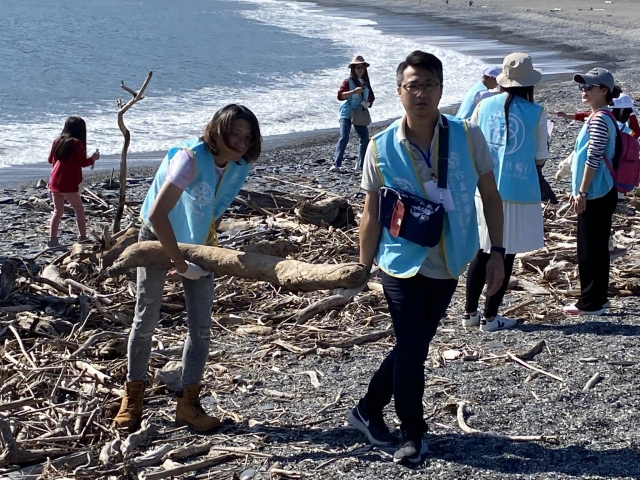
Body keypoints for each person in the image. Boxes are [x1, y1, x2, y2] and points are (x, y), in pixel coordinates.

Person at [349, 51, 505, 464]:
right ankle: (412, 434)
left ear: (440, 89)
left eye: (428, 85)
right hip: (399, 261)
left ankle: (366, 410)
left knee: (412, 346)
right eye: (412, 85)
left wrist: (497, 254)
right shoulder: (381, 147)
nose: (420, 93)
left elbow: (490, 195)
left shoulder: (467, 135)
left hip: (450, 258)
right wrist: (361, 268)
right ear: (399, 92)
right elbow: (370, 213)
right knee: (414, 346)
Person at [113, 104, 261, 432]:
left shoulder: (238, 165)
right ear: (218, 130)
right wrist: (178, 263)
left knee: (201, 326)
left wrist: (203, 253)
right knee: (146, 316)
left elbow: (215, 208)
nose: (241, 141)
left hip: (197, 243)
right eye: (235, 133)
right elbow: (156, 214)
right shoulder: (189, 159)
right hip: (156, 236)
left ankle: (188, 404)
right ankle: (133, 395)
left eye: (248, 136)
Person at [464, 53, 548, 332]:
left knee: (481, 251)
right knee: (505, 253)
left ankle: (469, 313)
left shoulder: (484, 104)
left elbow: (471, 143)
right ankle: (490, 317)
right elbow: (539, 157)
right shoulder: (536, 112)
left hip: (483, 189)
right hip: (518, 192)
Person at [562, 68, 620, 315]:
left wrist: (582, 192)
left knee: (589, 249)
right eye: (582, 86)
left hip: (596, 193)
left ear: (604, 91)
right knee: (595, 247)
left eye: (589, 87)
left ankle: (591, 302)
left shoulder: (599, 119)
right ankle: (597, 299)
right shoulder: (600, 116)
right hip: (599, 191)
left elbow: (593, 158)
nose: (583, 90)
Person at [47, 116, 100, 247]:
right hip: (69, 182)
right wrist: (93, 158)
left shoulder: (57, 141)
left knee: (57, 211)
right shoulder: (77, 143)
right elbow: (83, 162)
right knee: (79, 209)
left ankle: (52, 240)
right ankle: (82, 237)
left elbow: (50, 160)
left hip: (54, 181)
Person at [331, 55, 375, 172]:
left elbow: (371, 98)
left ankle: (360, 165)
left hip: (360, 113)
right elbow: (340, 96)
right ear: (353, 69)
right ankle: (336, 164)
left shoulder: (366, 83)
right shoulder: (348, 81)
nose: (360, 70)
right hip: (347, 112)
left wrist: (368, 103)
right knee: (344, 137)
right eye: (357, 67)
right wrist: (354, 91)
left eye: (362, 67)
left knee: (364, 138)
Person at [556, 92, 639, 138]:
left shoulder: (603, 114)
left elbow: (585, 115)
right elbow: (636, 132)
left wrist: (566, 116)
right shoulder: (630, 117)